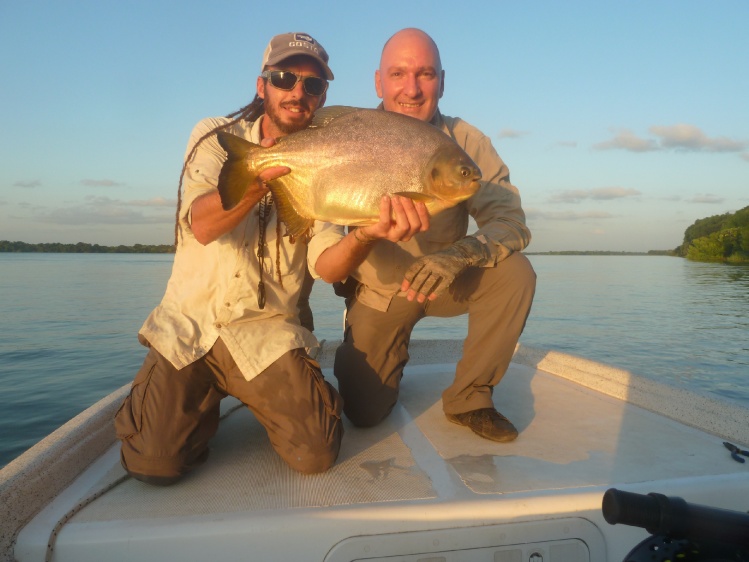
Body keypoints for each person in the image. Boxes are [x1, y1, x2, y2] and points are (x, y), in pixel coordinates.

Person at [115, 32, 429, 485]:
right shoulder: (215, 137)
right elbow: (201, 224)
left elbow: (326, 268)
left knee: (317, 453)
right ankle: (192, 406)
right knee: (153, 465)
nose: (297, 92)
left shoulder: (330, 160)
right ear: (262, 85)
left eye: (313, 85)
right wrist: (260, 173)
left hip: (267, 334)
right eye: (284, 78)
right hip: (192, 324)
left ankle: (246, 398)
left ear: (322, 98)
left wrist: (367, 233)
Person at [333, 28, 537, 443]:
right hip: (380, 291)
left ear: (442, 81)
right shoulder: (348, 133)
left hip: (446, 280)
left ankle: (470, 398)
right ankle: (372, 350)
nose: (412, 88)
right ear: (378, 81)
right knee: (365, 412)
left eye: (425, 74)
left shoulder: (466, 143)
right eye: (398, 74)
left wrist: (459, 255)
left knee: (516, 273)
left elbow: (511, 221)